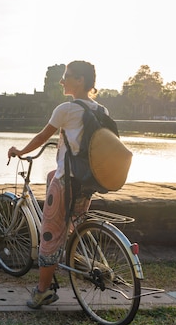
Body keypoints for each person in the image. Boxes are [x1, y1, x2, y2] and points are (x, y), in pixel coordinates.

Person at [8, 60, 104, 309]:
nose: (62, 81)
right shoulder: (101, 111)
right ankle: (69, 258)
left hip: (66, 183)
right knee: (70, 222)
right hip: (86, 182)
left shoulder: (66, 109)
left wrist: (20, 151)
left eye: (67, 76)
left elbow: (42, 137)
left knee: (49, 235)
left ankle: (42, 292)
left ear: (80, 81)